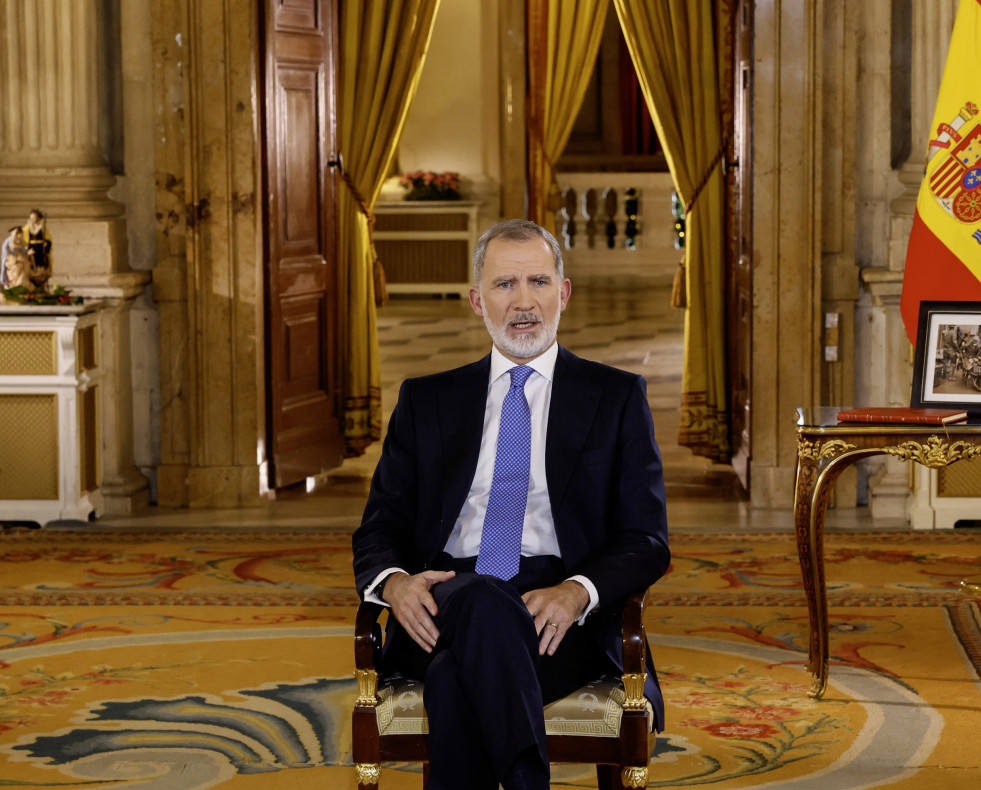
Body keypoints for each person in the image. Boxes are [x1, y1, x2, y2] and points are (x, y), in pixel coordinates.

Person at [352, 219, 671, 790]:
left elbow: (647, 539)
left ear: (564, 292)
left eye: (539, 282)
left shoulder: (617, 397)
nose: (524, 302)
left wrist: (579, 591)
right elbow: (380, 526)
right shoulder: (426, 401)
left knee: (454, 682)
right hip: (445, 594)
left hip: (557, 611)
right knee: (475, 596)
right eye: (504, 285)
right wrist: (397, 584)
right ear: (477, 301)